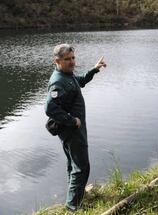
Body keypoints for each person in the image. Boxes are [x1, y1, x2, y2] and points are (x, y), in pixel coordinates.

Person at [45, 44, 106, 212]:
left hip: (74, 131)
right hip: (72, 131)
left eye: (73, 58)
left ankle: (75, 199)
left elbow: (80, 82)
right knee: (82, 167)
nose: (72, 62)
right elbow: (50, 108)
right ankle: (73, 207)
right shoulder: (58, 81)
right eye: (67, 59)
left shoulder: (67, 76)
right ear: (57, 61)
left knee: (73, 166)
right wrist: (72, 121)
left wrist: (95, 69)